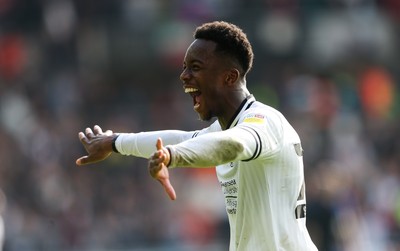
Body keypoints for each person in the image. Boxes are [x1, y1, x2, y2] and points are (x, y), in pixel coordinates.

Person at [76, 21, 318, 251]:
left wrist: (172, 156)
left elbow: (233, 145)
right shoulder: (224, 129)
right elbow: (184, 139)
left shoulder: (265, 121)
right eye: (184, 67)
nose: (184, 76)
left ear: (229, 77)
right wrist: (114, 142)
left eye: (196, 67)